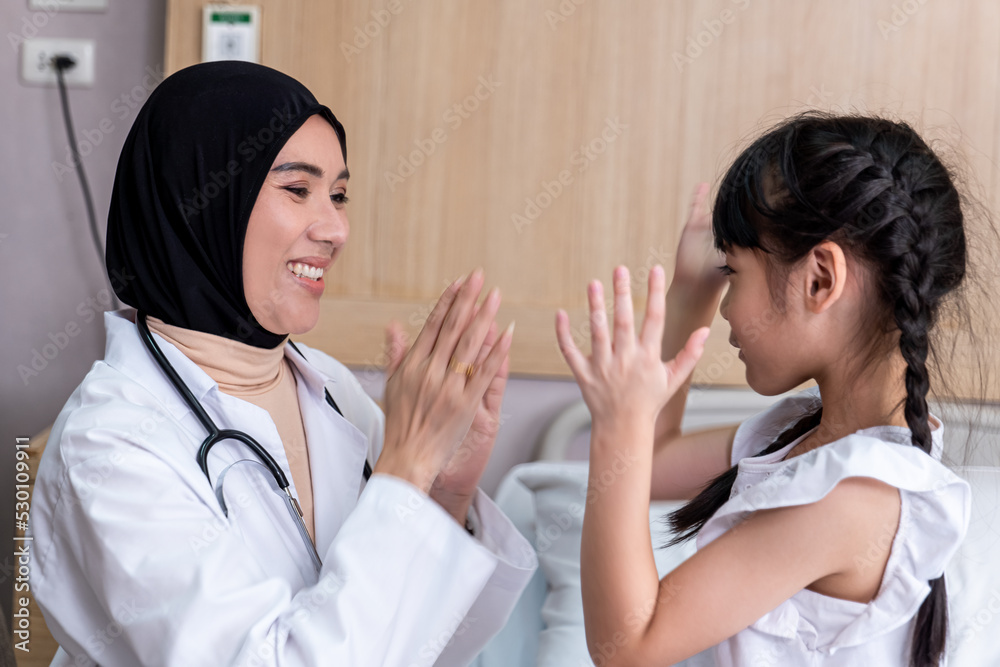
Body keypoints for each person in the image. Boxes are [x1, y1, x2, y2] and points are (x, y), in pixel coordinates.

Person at [28, 61, 536, 666]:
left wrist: (445, 491)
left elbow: (428, 650)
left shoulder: (331, 391)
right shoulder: (108, 446)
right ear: (200, 203)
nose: (338, 228)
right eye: (298, 190)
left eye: (340, 195)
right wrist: (408, 464)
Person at [555, 113, 972, 666]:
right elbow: (648, 464)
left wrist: (616, 422)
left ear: (820, 279)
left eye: (732, 274)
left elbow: (629, 647)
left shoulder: (851, 498)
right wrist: (688, 299)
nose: (727, 306)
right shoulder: (807, 433)